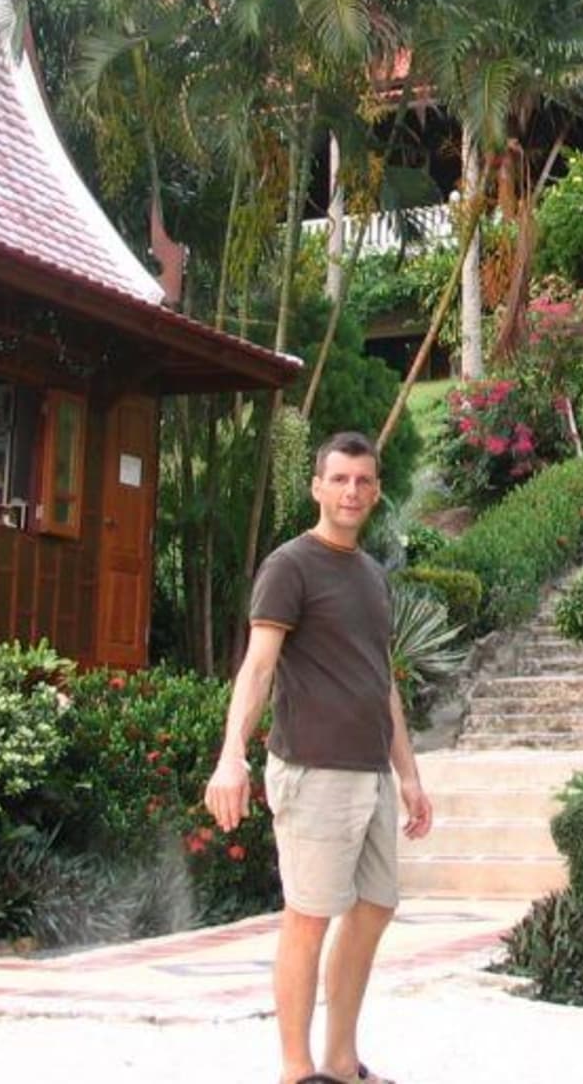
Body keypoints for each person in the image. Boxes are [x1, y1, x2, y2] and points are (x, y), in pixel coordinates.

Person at [204, 431, 431, 1084]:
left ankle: (339, 1060)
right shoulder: (290, 566)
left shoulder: (372, 576)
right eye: (339, 479)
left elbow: (381, 680)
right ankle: (296, 1070)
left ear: (376, 491)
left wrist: (409, 775)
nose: (351, 491)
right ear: (317, 487)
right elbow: (258, 668)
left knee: (376, 907)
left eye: (363, 481)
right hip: (313, 771)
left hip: (371, 772)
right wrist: (231, 757)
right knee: (308, 920)